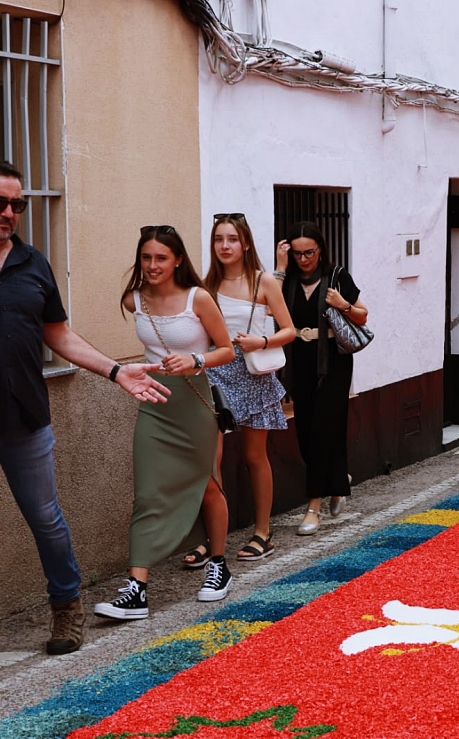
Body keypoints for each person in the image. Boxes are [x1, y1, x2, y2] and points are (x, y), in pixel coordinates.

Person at [0, 161, 169, 653]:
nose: (9, 213)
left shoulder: (33, 264)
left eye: (18, 205)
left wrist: (116, 371)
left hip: (24, 418)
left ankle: (66, 607)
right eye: (0, 203)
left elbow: (58, 335)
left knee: (46, 518)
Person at [94, 226, 236, 621]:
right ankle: (136, 589)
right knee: (148, 491)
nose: (152, 265)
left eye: (160, 258)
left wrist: (196, 360)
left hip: (193, 402)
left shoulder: (198, 298)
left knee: (206, 485)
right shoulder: (133, 298)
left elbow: (227, 350)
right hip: (154, 404)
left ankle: (218, 566)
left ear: (177, 260)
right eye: (146, 258)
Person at [182, 214, 297, 568]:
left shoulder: (264, 281)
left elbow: (289, 330)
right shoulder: (205, 284)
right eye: (219, 239)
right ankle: (210, 539)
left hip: (253, 373)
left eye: (232, 239)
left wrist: (260, 340)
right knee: (209, 460)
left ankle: (263, 531)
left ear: (245, 243)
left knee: (253, 456)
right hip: (216, 374)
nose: (225, 246)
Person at [274, 222, 369, 536]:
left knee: (324, 427)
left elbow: (362, 315)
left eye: (309, 252)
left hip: (333, 362)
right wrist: (279, 266)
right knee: (305, 431)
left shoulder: (337, 275)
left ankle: (313, 506)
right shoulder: (285, 280)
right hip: (298, 360)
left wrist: (343, 305)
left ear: (320, 249)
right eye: (298, 253)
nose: (304, 259)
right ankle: (337, 480)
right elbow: (267, 306)